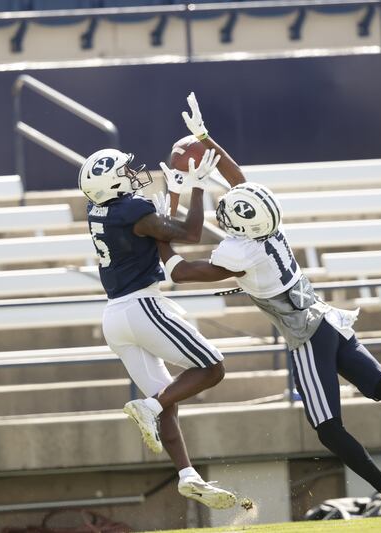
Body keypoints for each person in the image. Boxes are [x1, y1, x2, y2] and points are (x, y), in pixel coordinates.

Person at [155, 93, 381, 519]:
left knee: (328, 428)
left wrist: (162, 225)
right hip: (327, 318)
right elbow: (236, 177)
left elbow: (181, 272)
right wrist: (206, 139)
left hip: (306, 333)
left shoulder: (240, 252)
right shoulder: (268, 228)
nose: (224, 212)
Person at [78, 115, 247, 509]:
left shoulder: (99, 209)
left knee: (166, 396)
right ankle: (148, 408)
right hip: (142, 306)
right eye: (125, 171)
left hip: (114, 318)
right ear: (113, 182)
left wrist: (173, 194)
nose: (134, 174)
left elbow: (155, 228)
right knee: (212, 368)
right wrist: (199, 189)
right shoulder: (131, 210)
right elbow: (187, 234)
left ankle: (187, 475)